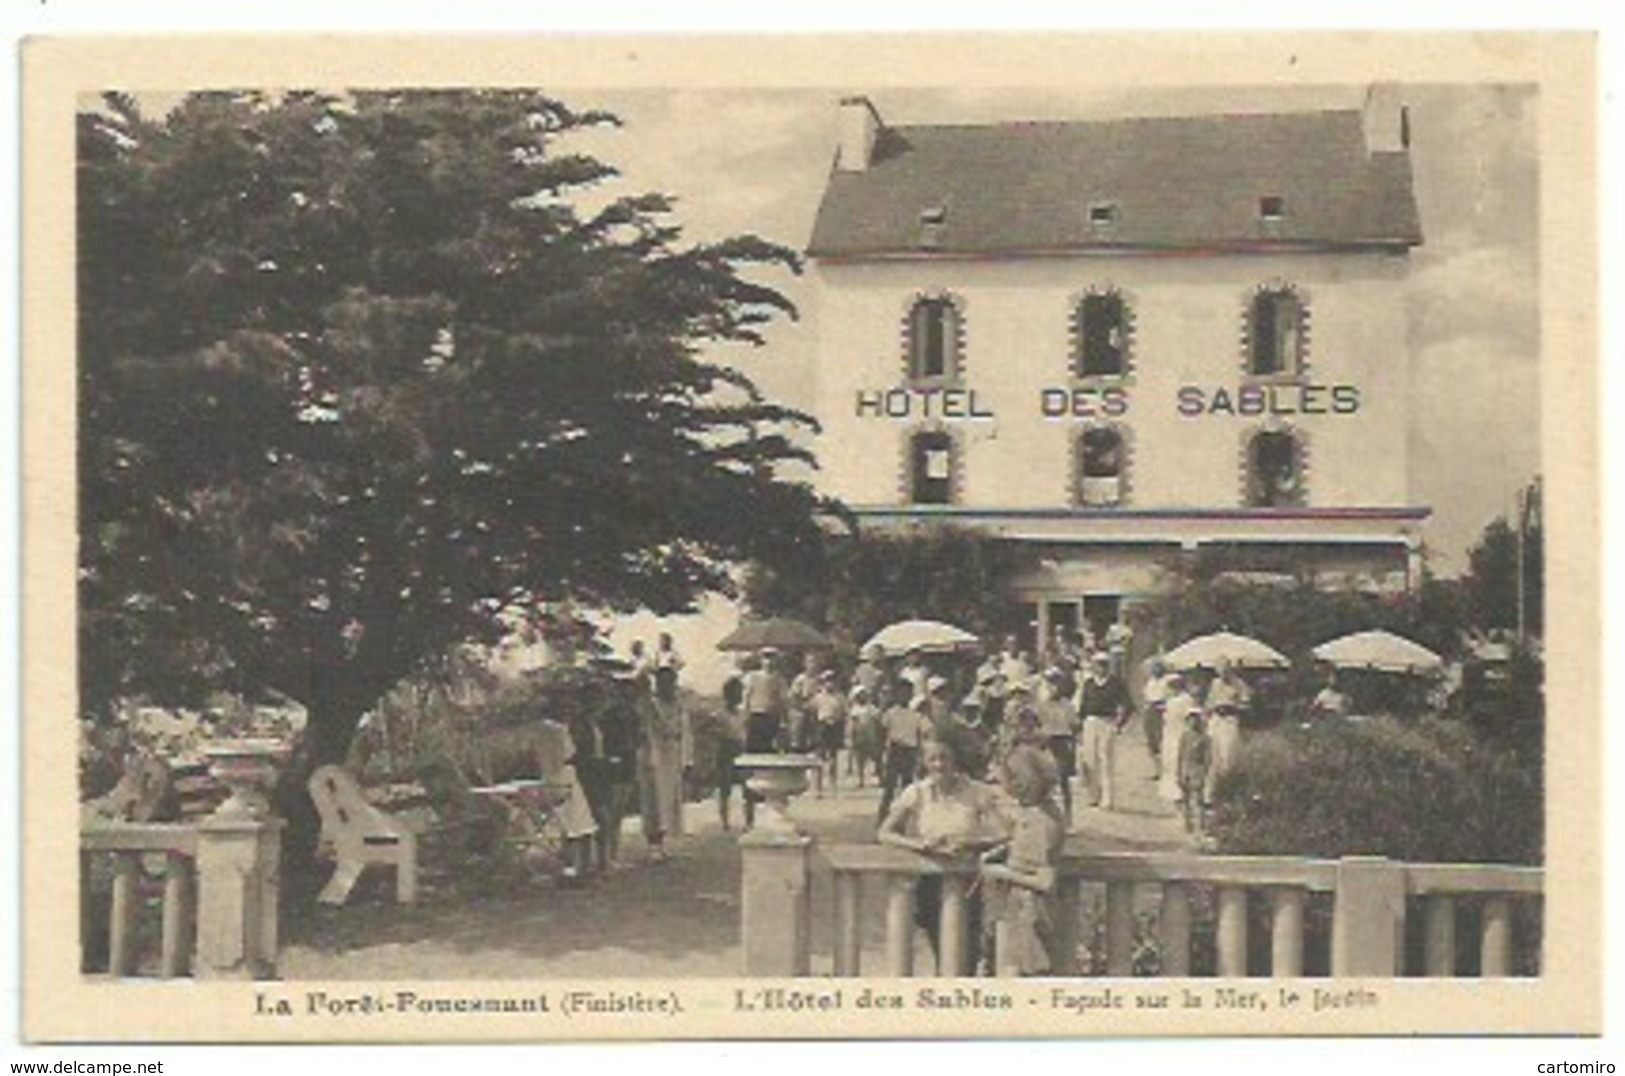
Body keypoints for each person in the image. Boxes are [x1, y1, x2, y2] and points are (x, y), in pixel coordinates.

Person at [878, 738, 1007, 975]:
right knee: (941, 946)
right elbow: (885, 833)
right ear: (924, 763)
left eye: (944, 758)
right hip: (929, 880)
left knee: (968, 952)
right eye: (932, 759)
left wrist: (971, 843)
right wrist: (920, 845)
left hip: (968, 880)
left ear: (955, 759)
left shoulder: (976, 791)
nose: (939, 765)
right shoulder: (915, 792)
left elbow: (1003, 833)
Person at [980, 741, 1066, 975]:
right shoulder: (1040, 811)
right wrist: (1006, 848)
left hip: (1030, 913)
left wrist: (998, 872)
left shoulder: (1039, 820)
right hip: (1019, 909)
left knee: (1019, 976)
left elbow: (1045, 880)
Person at [532, 698, 599, 881]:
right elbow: (568, 754)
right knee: (581, 825)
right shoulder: (559, 729)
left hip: (548, 778)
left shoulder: (537, 731)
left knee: (565, 825)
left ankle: (568, 868)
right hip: (565, 775)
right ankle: (580, 869)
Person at [740, 649, 789, 828]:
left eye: (772, 657)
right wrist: (744, 723)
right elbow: (745, 700)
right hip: (755, 720)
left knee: (770, 766)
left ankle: (768, 813)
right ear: (760, 659)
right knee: (752, 766)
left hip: (772, 721)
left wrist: (784, 723)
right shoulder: (752, 677)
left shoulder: (779, 679)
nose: (769, 661)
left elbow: (783, 702)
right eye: (766, 657)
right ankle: (749, 817)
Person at [1076, 651, 1130, 810]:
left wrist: (1120, 723)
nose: (1100, 668)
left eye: (1104, 664)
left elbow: (1128, 704)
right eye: (1098, 664)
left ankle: (1108, 799)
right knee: (1089, 759)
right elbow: (1083, 706)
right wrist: (1079, 726)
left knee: (1106, 760)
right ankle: (1093, 795)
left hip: (1107, 721)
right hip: (1090, 721)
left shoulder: (1116, 683)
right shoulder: (1089, 684)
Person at [878, 679, 928, 823]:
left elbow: (921, 735)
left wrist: (920, 756)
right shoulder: (890, 713)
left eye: (907, 693)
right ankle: (882, 821)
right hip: (895, 751)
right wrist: (881, 757)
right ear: (896, 694)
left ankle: (902, 823)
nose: (904, 696)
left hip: (909, 752)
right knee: (889, 790)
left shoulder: (916, 715)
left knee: (907, 789)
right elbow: (882, 735)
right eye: (901, 693)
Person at [1202, 659, 1251, 806]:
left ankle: (1226, 794)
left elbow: (1246, 704)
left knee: (1228, 756)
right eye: (1219, 670)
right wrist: (1207, 715)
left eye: (1225, 670)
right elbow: (1208, 703)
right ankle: (1208, 797)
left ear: (1230, 670)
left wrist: (1232, 706)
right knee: (1212, 757)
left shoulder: (1239, 684)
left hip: (1229, 721)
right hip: (1216, 721)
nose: (1222, 674)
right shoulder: (1215, 683)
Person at [1034, 670, 1078, 825]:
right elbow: (1036, 724)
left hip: (1062, 741)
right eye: (1050, 683)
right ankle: (1046, 816)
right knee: (1043, 779)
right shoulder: (1040, 704)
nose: (1054, 687)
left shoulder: (1067, 704)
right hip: (1045, 742)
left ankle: (1068, 817)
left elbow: (1074, 726)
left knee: (1063, 779)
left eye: (1057, 683)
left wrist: (1072, 744)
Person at [716, 658, 748, 831]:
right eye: (737, 692)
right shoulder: (720, 713)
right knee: (725, 787)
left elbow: (744, 731)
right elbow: (714, 731)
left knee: (746, 786)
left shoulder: (742, 713)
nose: (740, 695)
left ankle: (748, 820)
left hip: (740, 748)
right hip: (726, 748)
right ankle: (724, 821)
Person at [1157, 671, 1198, 804]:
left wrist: (1191, 731)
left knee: (1177, 759)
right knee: (1168, 759)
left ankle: (1178, 790)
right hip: (1169, 731)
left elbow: (1191, 716)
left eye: (1169, 687)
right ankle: (1169, 789)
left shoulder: (1186, 699)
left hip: (1180, 732)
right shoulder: (1171, 700)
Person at [1174, 707, 1212, 837]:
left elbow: (1207, 759)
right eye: (1190, 720)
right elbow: (1180, 755)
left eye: (1196, 719)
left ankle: (1201, 824)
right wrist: (1178, 772)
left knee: (1198, 799)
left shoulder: (1205, 738)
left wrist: (1203, 773)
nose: (1193, 722)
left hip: (1197, 769)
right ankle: (1187, 823)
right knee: (1186, 799)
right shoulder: (1185, 736)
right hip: (1185, 768)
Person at [812, 669, 848, 796]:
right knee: (819, 758)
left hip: (835, 726)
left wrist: (844, 729)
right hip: (822, 726)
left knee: (833, 758)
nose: (830, 683)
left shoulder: (840, 697)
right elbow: (813, 713)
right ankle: (818, 788)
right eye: (827, 680)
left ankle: (833, 786)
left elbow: (844, 714)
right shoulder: (818, 697)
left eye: (832, 680)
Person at [1141, 657, 1174, 780]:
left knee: (1163, 738)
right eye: (1153, 668)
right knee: (1151, 741)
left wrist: (1165, 706)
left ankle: (1167, 770)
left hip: (1162, 709)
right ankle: (1157, 769)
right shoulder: (1150, 682)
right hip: (1151, 710)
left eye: (1157, 667)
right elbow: (1146, 696)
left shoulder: (1167, 680)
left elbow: (1171, 695)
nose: (1155, 670)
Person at [847, 683, 883, 788]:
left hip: (871, 737)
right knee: (860, 760)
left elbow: (878, 719)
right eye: (860, 695)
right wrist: (851, 736)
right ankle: (860, 779)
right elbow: (852, 724)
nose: (862, 696)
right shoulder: (854, 709)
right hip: (859, 736)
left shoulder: (871, 707)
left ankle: (881, 778)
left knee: (876, 758)